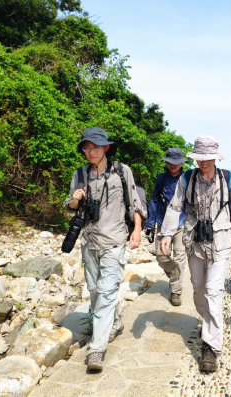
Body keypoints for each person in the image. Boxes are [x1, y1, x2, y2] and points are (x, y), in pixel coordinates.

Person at [160, 135, 231, 372]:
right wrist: (166, 235)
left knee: (213, 292)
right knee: (198, 291)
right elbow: (175, 206)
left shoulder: (227, 178)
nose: (203, 162)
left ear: (214, 157)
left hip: (221, 240)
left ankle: (210, 347)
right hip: (194, 240)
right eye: (199, 158)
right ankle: (207, 322)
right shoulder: (187, 178)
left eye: (207, 158)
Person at [64, 127, 146, 371]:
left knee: (107, 291)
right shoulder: (80, 174)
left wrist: (137, 229)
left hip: (114, 240)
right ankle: (115, 322)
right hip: (89, 241)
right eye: (86, 148)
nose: (90, 152)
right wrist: (75, 199)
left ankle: (96, 350)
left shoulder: (122, 171)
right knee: (95, 292)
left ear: (106, 148)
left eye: (95, 147)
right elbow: (68, 206)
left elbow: (135, 203)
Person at [145, 148, 188, 306]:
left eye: (176, 163)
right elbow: (155, 200)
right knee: (161, 257)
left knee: (179, 257)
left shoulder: (187, 178)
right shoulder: (161, 178)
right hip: (162, 222)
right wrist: (149, 224)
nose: (172, 165)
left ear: (181, 163)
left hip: (181, 223)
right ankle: (175, 275)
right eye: (170, 162)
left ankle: (176, 291)